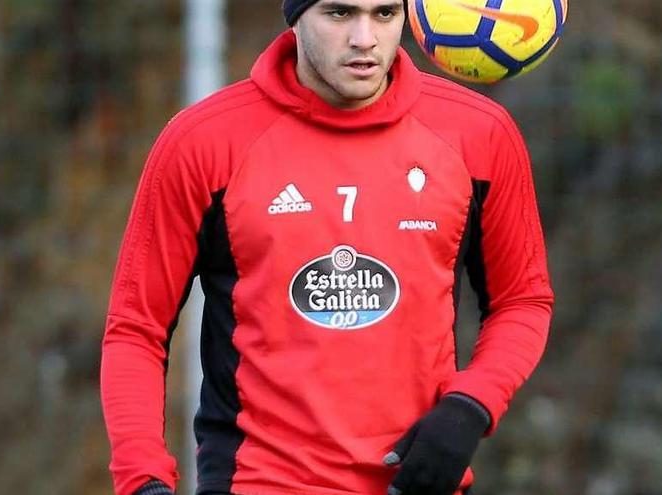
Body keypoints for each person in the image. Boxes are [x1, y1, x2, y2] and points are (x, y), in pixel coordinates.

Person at [100, 0, 554, 494]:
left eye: (384, 14)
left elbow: (523, 300)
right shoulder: (202, 142)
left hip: (419, 483)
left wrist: (471, 407)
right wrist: (142, 479)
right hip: (257, 482)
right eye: (339, 14)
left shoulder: (480, 134)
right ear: (294, 16)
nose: (365, 39)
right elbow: (136, 327)